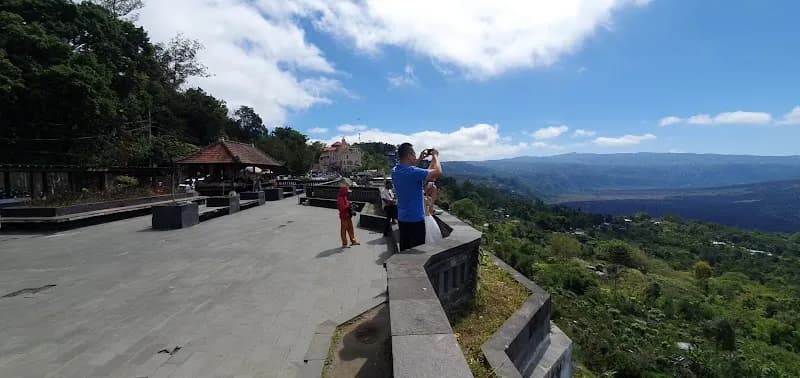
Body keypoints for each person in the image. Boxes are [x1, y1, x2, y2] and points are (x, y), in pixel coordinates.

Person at [391, 143, 443, 250]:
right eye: (413, 154)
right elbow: (437, 172)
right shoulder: (412, 172)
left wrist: (419, 158)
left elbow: (410, 169)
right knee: (416, 253)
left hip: (402, 218)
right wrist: (435, 156)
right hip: (415, 220)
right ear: (409, 156)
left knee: (405, 250)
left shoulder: (395, 171)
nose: (415, 157)